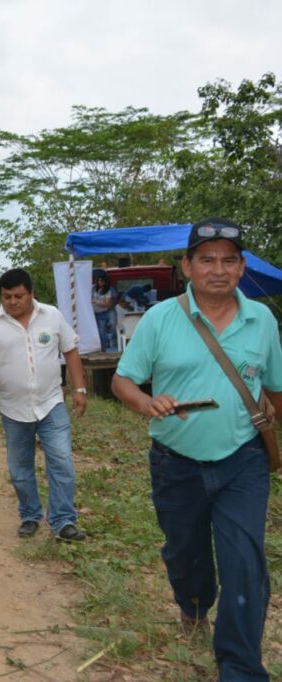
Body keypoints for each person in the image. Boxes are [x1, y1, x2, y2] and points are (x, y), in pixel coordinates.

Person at [112, 218, 282, 680]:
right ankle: (193, 606)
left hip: (243, 459)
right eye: (207, 260)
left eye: (229, 260)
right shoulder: (160, 319)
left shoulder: (262, 321)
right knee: (185, 557)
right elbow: (123, 381)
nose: (218, 270)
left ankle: (241, 668)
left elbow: (275, 387)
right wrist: (147, 403)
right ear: (187, 266)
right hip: (176, 463)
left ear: (242, 267)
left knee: (244, 561)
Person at [0, 268, 88, 542]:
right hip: (14, 409)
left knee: (61, 461)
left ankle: (63, 520)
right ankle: (30, 515)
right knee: (19, 470)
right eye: (7, 297)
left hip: (51, 403)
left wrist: (80, 389)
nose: (12, 302)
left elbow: (71, 351)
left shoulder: (52, 316)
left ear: (31, 294)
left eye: (18, 296)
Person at [91, 269, 118, 352]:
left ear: (105, 281)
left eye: (101, 281)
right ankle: (105, 348)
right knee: (102, 331)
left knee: (113, 326)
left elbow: (107, 304)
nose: (99, 282)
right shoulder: (93, 289)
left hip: (109, 311)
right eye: (98, 280)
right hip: (98, 313)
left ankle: (114, 345)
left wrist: (96, 302)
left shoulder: (110, 290)